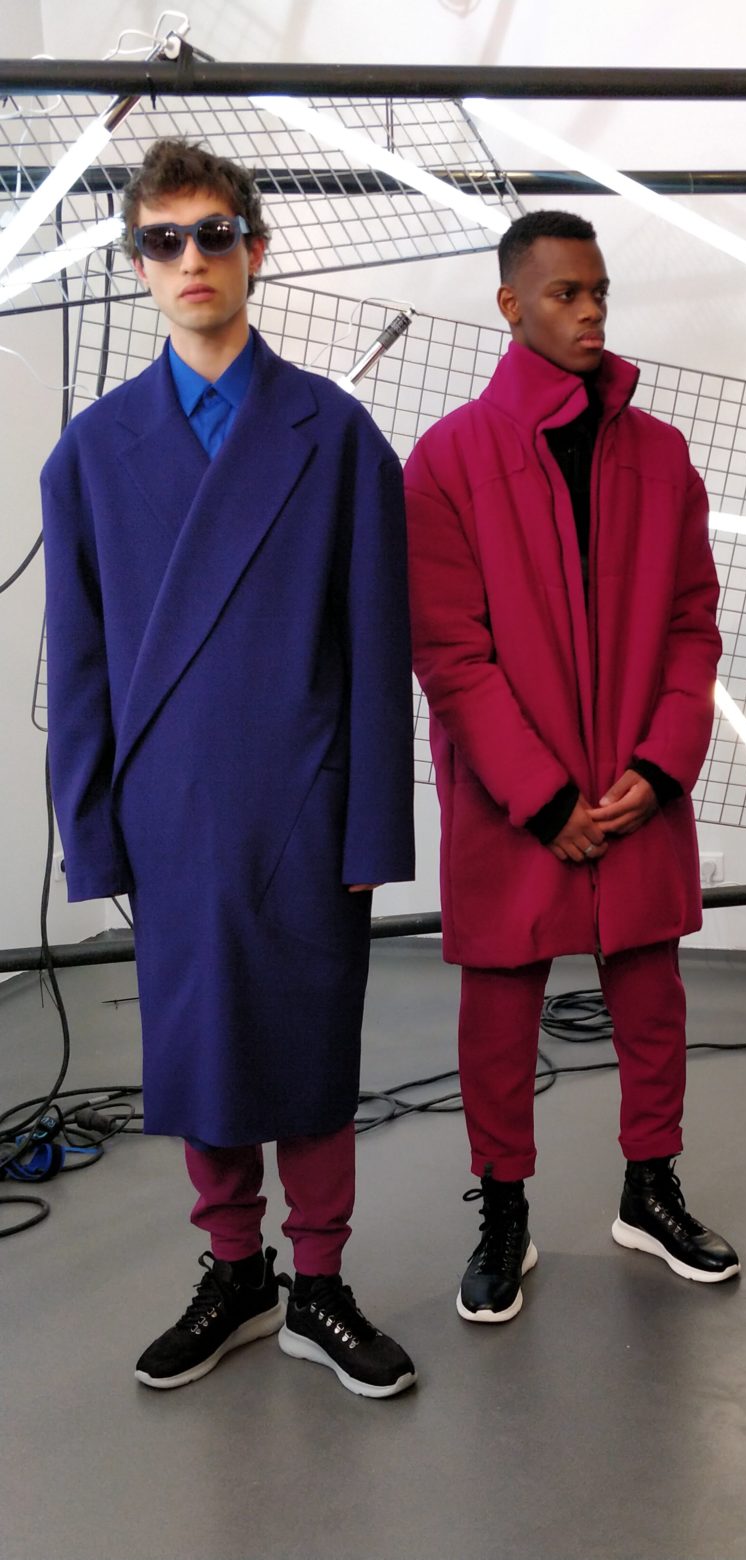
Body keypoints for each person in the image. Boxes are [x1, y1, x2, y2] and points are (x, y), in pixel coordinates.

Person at [41, 139, 418, 1393]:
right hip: (173, 810)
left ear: (257, 247)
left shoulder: (339, 436)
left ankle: (321, 1283)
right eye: (164, 240)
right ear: (137, 263)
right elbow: (80, 665)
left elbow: (378, 651)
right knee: (199, 1049)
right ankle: (237, 1271)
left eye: (213, 234)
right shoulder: (90, 456)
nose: (191, 259)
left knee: (309, 1045)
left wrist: (373, 830)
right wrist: (95, 833)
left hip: (305, 799)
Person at [404, 210, 739, 1322]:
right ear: (511, 305)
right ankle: (504, 1209)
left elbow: (693, 624)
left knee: (651, 997)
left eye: (600, 291)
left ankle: (651, 1190)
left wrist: (665, 761)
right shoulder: (448, 460)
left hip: (636, 786)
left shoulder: (662, 456)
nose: (591, 310)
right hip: (517, 799)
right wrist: (542, 796)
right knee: (499, 1012)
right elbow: (448, 653)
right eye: (566, 293)